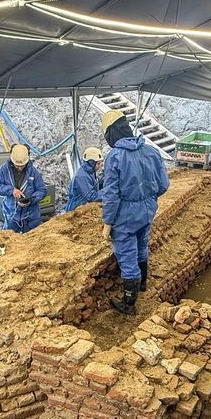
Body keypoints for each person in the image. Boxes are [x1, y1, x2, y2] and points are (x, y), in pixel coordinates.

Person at [99, 110, 169, 315]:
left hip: (125, 216)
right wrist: (147, 199)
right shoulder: (150, 151)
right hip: (147, 211)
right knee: (141, 246)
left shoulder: (115, 156)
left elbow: (111, 194)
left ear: (111, 134)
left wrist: (107, 222)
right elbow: (163, 185)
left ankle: (129, 304)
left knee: (127, 255)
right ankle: (142, 284)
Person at [0, 144, 47, 233]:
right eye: (17, 166)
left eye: (22, 165)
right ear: (12, 160)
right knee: (11, 242)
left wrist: (30, 200)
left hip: (30, 217)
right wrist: (11, 190)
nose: (20, 168)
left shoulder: (33, 172)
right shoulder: (4, 170)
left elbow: (42, 190)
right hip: (12, 215)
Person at [63, 147, 104, 212]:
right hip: (76, 209)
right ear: (91, 163)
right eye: (98, 163)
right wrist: (107, 192)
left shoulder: (90, 172)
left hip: (83, 206)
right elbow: (91, 197)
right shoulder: (82, 176)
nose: (100, 166)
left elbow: (96, 186)